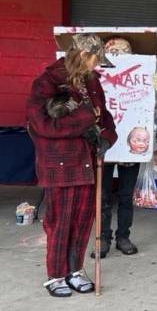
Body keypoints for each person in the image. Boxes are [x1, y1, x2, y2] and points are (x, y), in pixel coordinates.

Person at [27, 33, 117, 297]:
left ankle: (74, 270)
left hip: (88, 161)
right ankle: (55, 274)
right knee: (60, 221)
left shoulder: (91, 82)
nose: (96, 65)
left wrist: (106, 138)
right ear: (82, 55)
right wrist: (85, 120)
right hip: (60, 164)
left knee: (82, 219)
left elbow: (105, 115)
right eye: (94, 59)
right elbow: (41, 125)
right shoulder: (47, 83)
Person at [91, 36, 140, 259]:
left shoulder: (138, 77)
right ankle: (103, 238)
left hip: (130, 143)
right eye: (114, 52)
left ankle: (123, 236)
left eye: (124, 52)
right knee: (102, 195)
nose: (119, 56)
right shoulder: (95, 77)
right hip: (105, 143)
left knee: (126, 195)